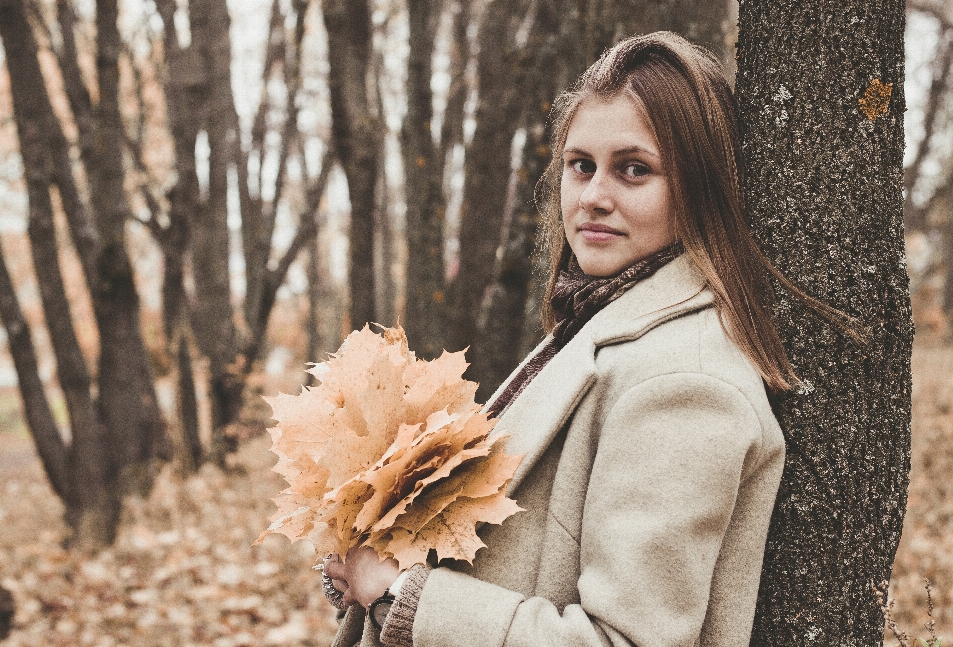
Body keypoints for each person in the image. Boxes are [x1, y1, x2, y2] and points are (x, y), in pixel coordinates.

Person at [323, 31, 835, 647]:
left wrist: (404, 595)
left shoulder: (684, 381)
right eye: (581, 165)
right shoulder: (607, 322)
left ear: (698, 188)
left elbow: (626, 640)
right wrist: (377, 572)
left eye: (634, 170)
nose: (594, 197)